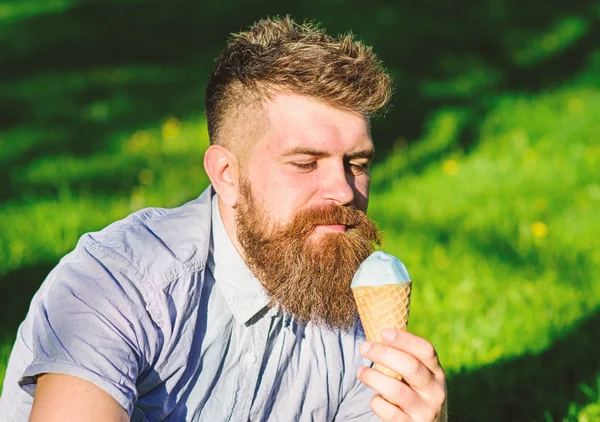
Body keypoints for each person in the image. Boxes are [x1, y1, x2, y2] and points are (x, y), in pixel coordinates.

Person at [0, 16, 447, 421]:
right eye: (306, 163)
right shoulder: (116, 284)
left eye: (358, 163)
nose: (345, 190)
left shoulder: (351, 317)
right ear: (227, 176)